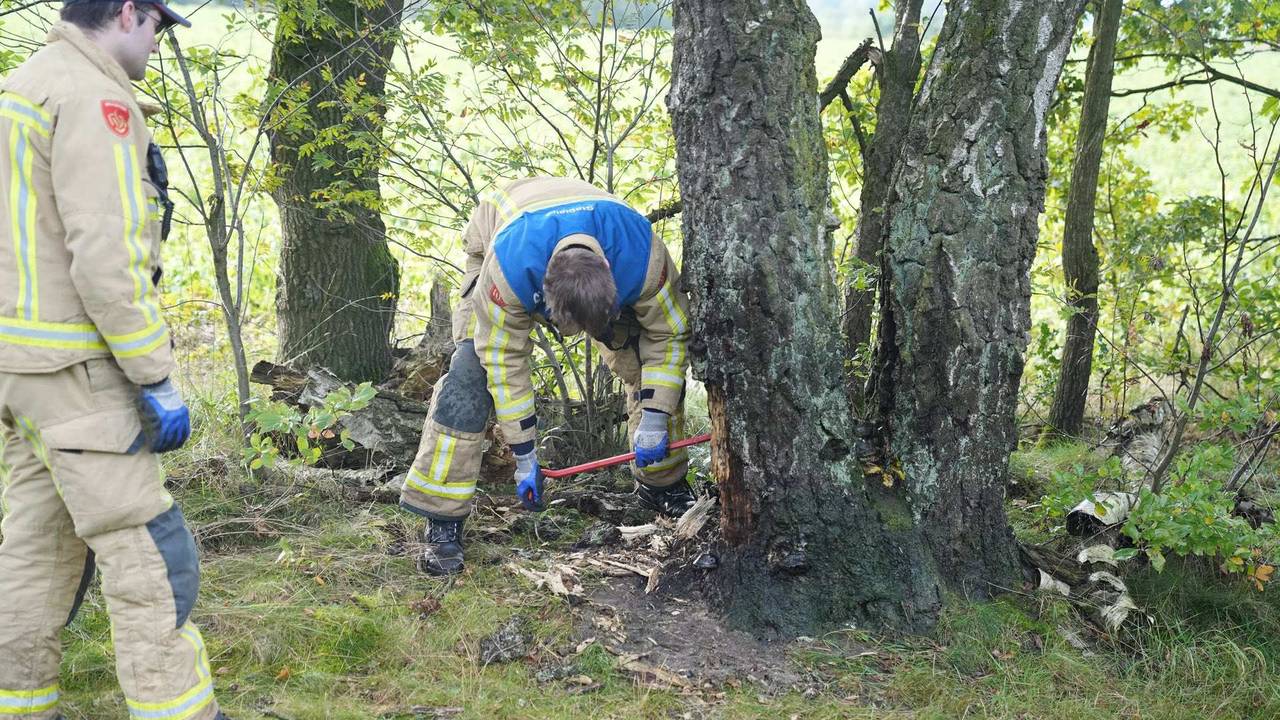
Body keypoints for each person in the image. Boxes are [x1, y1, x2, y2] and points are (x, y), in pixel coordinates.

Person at [0, 2, 229, 719]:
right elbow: (107, 257)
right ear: (128, 12)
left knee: (35, 550)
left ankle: (19, 702)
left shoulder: (23, 83)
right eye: (158, 27)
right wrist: (153, 372)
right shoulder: (94, 100)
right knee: (149, 556)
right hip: (80, 374)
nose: (158, 44)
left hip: (21, 369)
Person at [400, 177, 694, 576]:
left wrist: (655, 419)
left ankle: (663, 484)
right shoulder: (509, 268)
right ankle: (442, 517)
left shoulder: (642, 257)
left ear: (611, 273)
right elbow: (504, 363)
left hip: (589, 242)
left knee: (649, 362)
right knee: (471, 376)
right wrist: (524, 456)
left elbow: (668, 334)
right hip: (497, 237)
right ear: (543, 293)